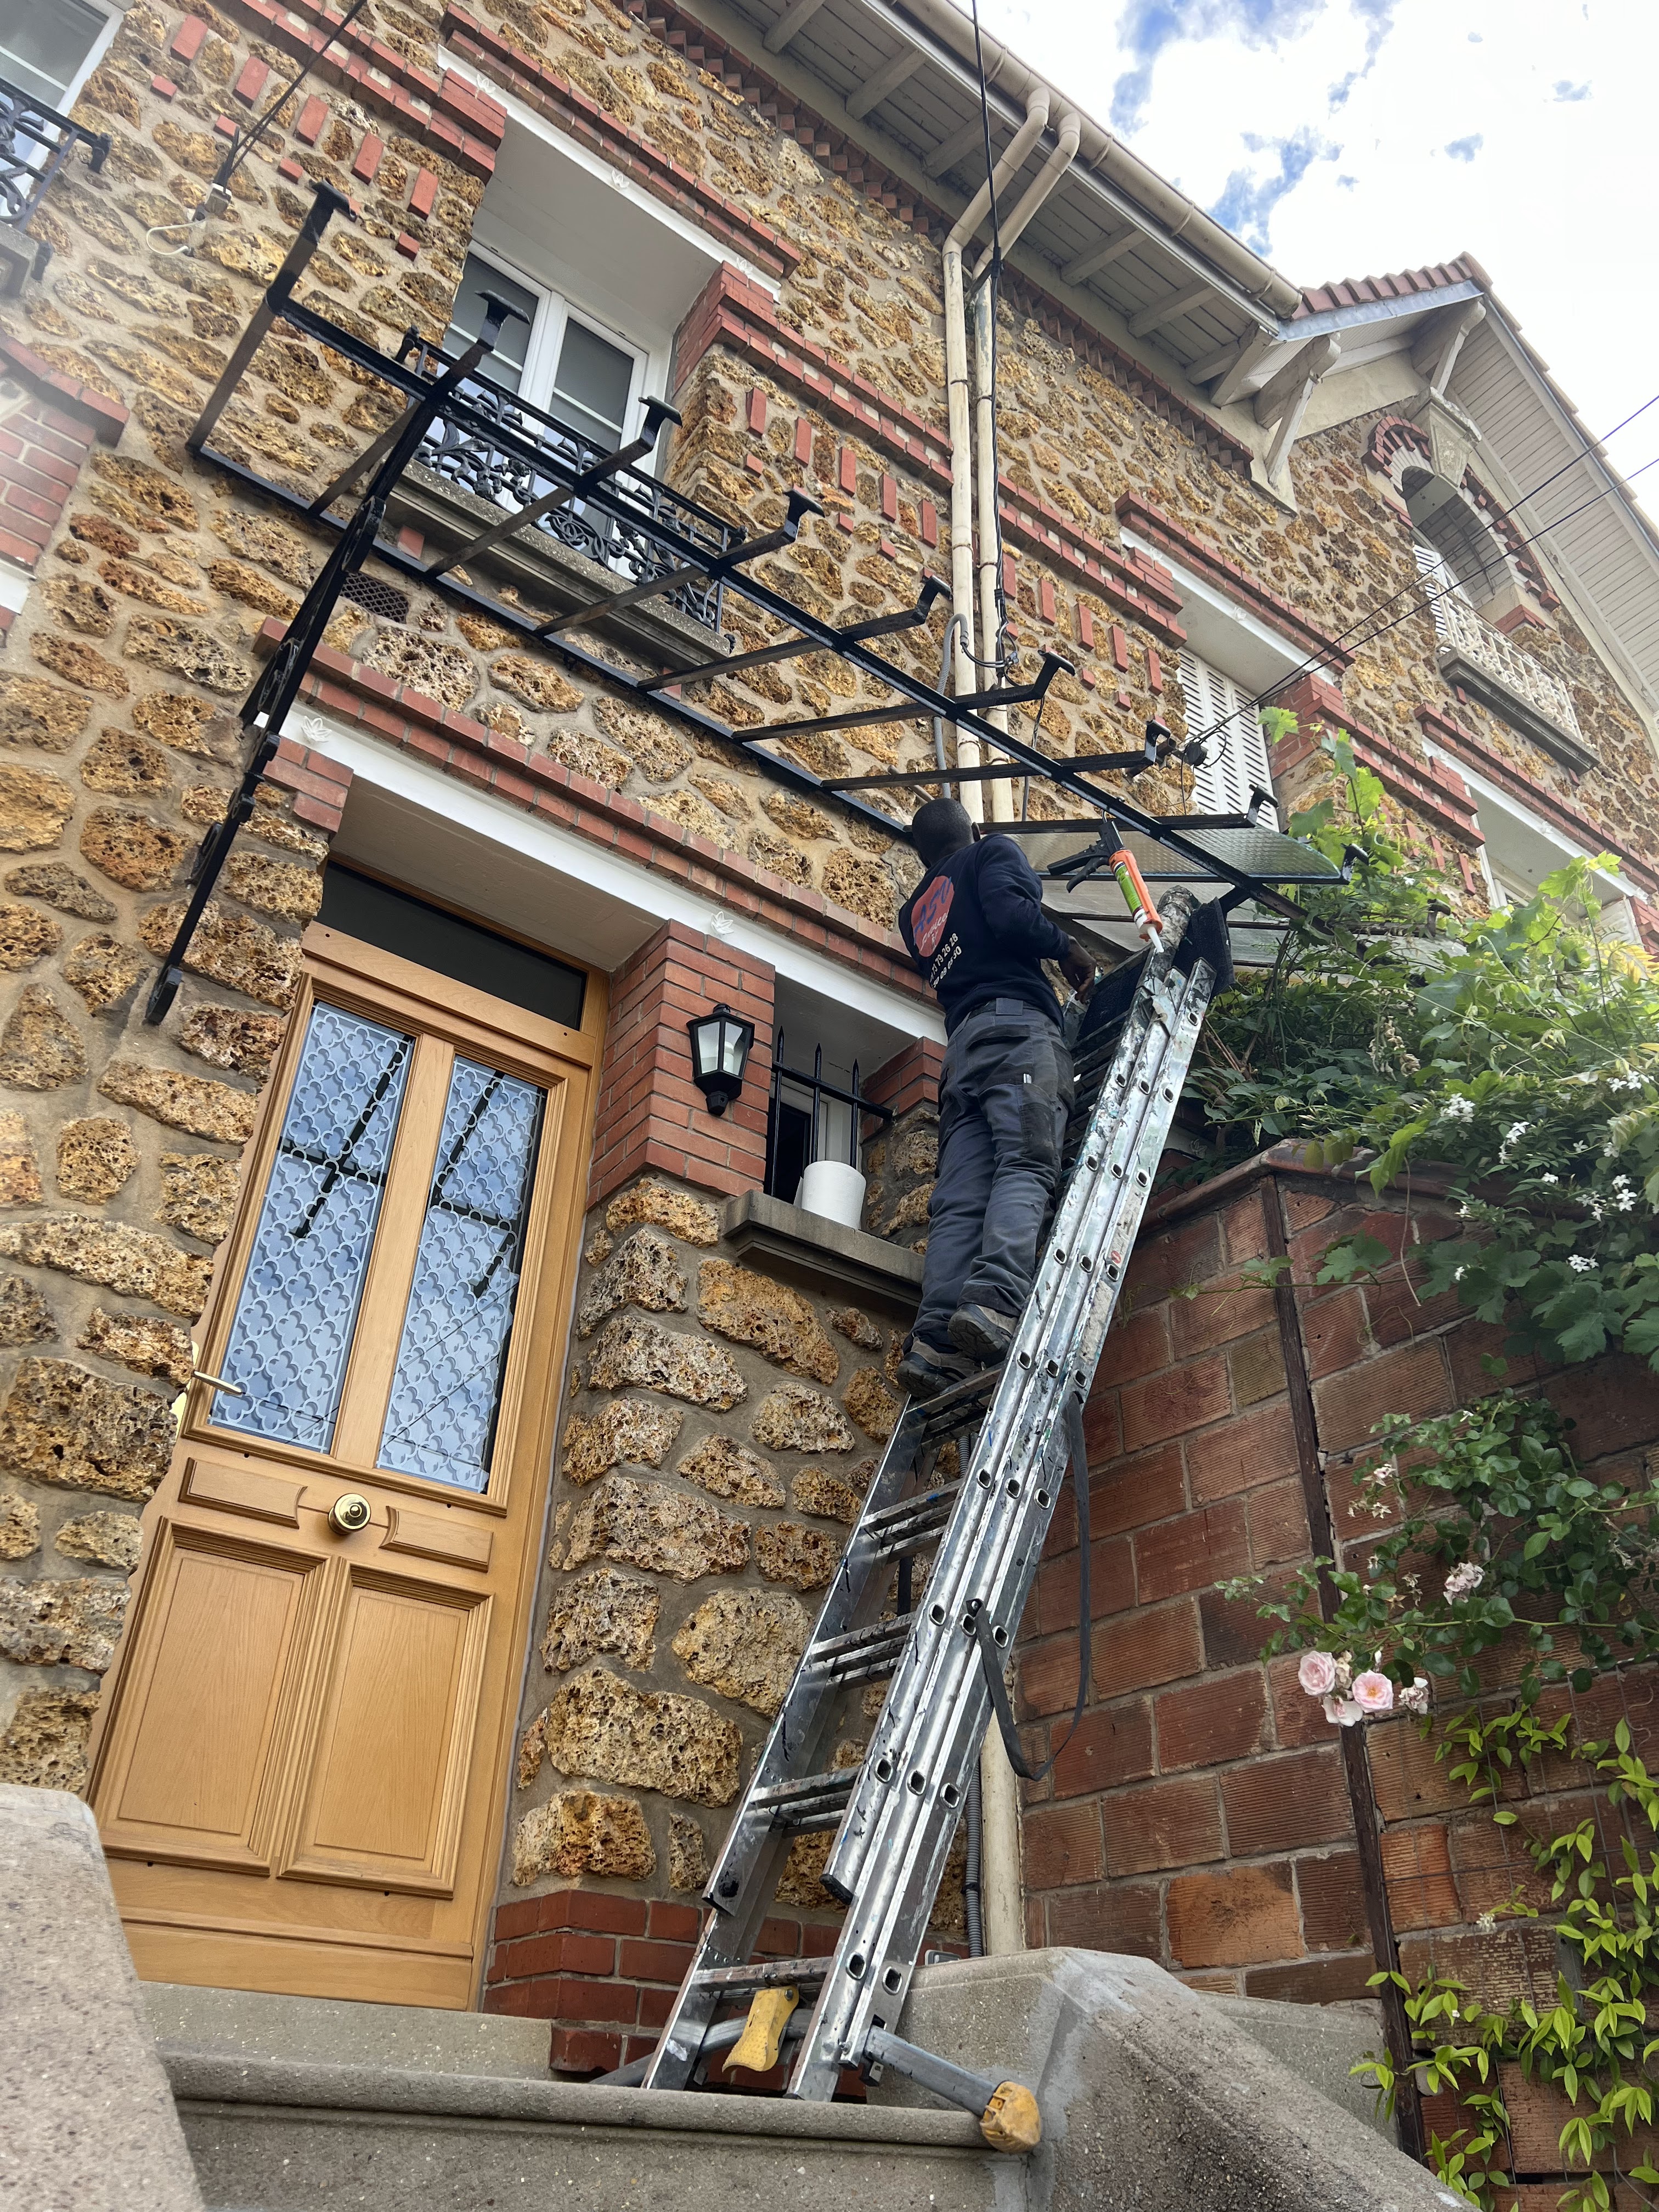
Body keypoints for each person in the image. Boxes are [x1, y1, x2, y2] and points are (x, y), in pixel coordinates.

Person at [894, 797, 1095, 1398]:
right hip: (1016, 1034)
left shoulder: (914, 913)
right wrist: (1066, 947)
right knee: (1027, 1162)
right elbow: (1010, 917)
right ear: (976, 830)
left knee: (959, 1200)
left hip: (962, 1054)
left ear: (923, 857)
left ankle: (934, 1341)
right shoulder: (991, 852)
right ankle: (994, 1300)